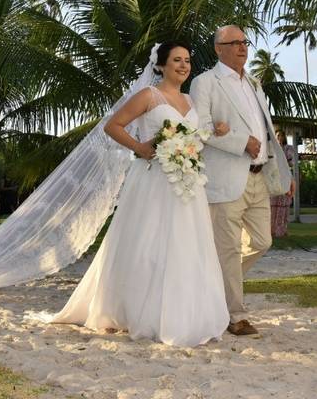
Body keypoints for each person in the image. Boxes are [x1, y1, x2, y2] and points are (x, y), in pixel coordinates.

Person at [49, 42, 230, 346]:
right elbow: (113, 126)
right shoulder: (149, 96)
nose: (183, 65)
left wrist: (215, 133)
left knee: (186, 246)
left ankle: (182, 311)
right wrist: (140, 148)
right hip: (153, 182)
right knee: (148, 244)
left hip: (187, 185)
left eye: (187, 60)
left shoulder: (190, 100)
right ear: (161, 65)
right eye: (176, 60)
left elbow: (193, 138)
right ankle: (136, 311)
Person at [190, 25, 292, 337]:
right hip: (225, 179)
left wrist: (283, 171)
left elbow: (265, 129)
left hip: (259, 178)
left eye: (245, 42)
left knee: (262, 241)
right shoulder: (204, 82)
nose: (242, 47)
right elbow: (201, 129)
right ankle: (235, 316)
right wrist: (239, 141)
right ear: (218, 48)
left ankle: (211, 285)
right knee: (229, 249)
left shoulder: (254, 83)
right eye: (234, 43)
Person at [270, 128, 297, 238]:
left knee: (283, 206)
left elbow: (292, 163)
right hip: (273, 179)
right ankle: (271, 230)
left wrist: (284, 158)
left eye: (281, 136)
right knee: (272, 206)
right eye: (277, 136)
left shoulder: (289, 149)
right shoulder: (271, 148)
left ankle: (281, 230)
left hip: (285, 178)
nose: (279, 138)